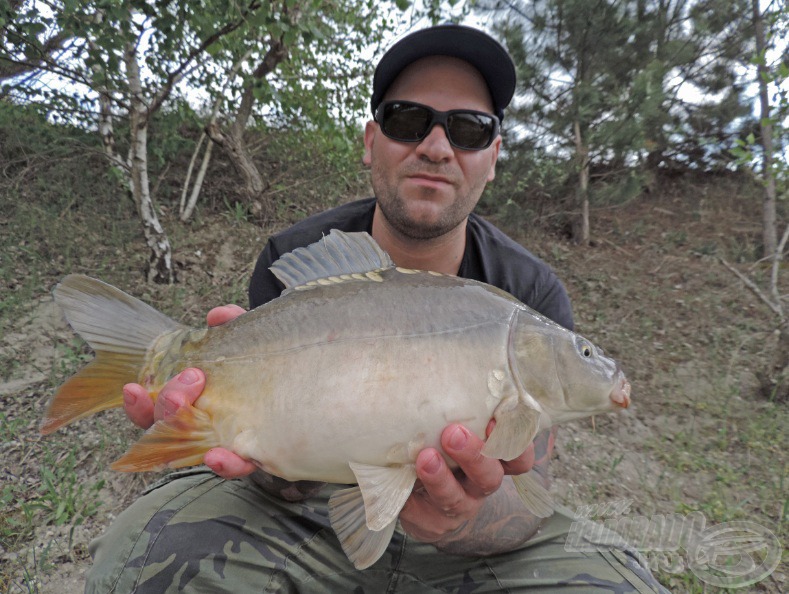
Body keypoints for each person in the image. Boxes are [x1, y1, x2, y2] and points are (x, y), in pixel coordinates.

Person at [86, 24, 668, 593]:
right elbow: (270, 471)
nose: (436, 147)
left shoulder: (529, 292)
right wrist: (258, 454)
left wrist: (464, 519)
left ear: (492, 157)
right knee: (139, 559)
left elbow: (528, 491)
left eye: (468, 130)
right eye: (408, 120)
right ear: (371, 141)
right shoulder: (295, 258)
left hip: (473, 550)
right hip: (306, 516)